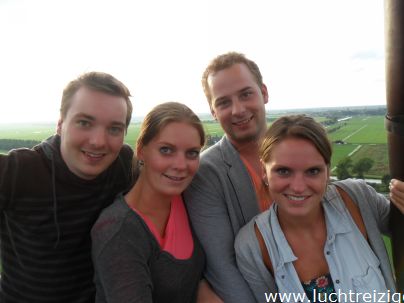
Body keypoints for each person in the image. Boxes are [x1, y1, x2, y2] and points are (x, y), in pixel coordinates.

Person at [235, 115, 404, 302]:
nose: (298, 187)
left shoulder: (358, 198)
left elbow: (398, 227)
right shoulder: (252, 246)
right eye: (283, 171)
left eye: (313, 171)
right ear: (264, 172)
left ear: (328, 171)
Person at [0, 72, 134, 303]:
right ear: (60, 124)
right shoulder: (19, 171)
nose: (98, 141)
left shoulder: (122, 165)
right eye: (84, 123)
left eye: (114, 129)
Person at [92, 102, 220, 303]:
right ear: (142, 150)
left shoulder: (185, 200)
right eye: (166, 150)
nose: (180, 165)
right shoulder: (118, 231)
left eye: (192, 153)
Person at [183, 51, 270, 302]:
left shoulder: (295, 150)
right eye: (223, 102)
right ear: (213, 111)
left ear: (263, 92)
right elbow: (224, 267)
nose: (238, 110)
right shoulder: (206, 173)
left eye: (246, 94)